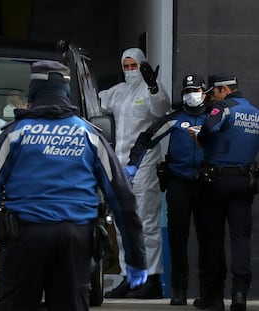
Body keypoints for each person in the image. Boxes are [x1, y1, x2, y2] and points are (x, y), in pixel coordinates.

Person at [0, 60, 148, 311]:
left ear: (34, 91)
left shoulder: (15, 134)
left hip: (25, 238)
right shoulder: (89, 135)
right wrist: (136, 258)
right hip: (75, 240)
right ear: (66, 91)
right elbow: (122, 198)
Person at [125, 74, 209, 305]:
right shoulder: (174, 118)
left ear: (204, 91)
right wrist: (133, 165)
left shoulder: (214, 117)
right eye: (187, 91)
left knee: (207, 240)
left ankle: (206, 292)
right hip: (178, 184)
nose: (191, 95)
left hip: (206, 185)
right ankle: (179, 291)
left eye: (195, 90)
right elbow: (145, 139)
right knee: (178, 239)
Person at [99, 47, 171, 298]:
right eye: (126, 66)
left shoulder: (152, 90)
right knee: (121, 224)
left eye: (133, 66)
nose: (130, 71)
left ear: (142, 66)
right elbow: (95, 100)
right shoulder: (118, 92)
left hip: (145, 165)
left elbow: (161, 109)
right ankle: (129, 277)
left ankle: (151, 279)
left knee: (146, 223)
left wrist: (152, 86)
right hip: (121, 167)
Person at [190, 74, 259, 311]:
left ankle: (214, 297)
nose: (211, 98)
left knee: (213, 238)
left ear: (225, 90)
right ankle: (240, 294)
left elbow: (209, 127)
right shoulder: (254, 111)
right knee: (241, 238)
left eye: (213, 93)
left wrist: (200, 140)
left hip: (216, 180)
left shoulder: (224, 109)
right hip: (244, 181)